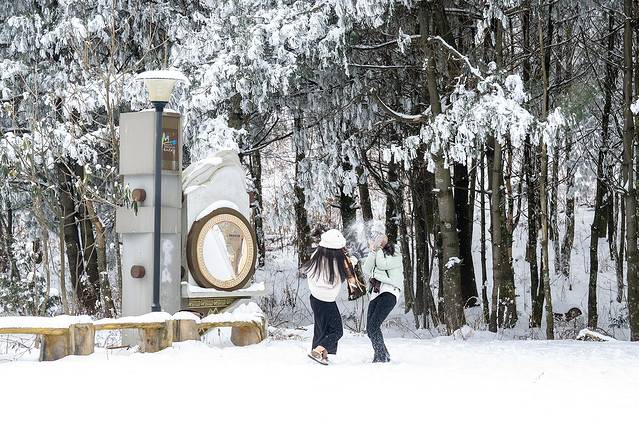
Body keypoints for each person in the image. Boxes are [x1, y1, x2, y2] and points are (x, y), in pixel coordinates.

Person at [302, 229, 357, 365]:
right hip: (326, 301)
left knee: (321, 328)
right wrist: (354, 259)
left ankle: (322, 354)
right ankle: (317, 351)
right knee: (337, 331)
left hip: (315, 299)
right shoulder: (334, 263)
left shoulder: (317, 255)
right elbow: (344, 272)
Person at [362, 234, 403, 363]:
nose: (378, 240)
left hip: (390, 291)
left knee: (374, 325)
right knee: (370, 328)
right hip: (376, 293)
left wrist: (378, 249)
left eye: (381, 238)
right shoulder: (377, 253)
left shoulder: (395, 252)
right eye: (376, 238)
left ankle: (381, 357)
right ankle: (384, 354)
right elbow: (366, 269)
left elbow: (382, 265)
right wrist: (373, 252)